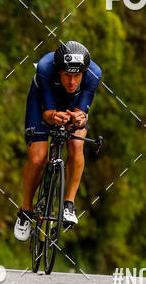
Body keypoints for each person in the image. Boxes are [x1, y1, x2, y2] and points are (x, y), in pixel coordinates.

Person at [14, 40, 102, 241]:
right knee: (38, 159)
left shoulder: (94, 74)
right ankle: (25, 211)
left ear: (84, 73)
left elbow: (81, 112)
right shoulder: (45, 68)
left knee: (77, 143)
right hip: (41, 103)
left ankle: (69, 204)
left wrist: (81, 117)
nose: (72, 82)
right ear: (58, 71)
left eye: (77, 76)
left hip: (71, 104)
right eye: (67, 76)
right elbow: (47, 114)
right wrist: (53, 117)